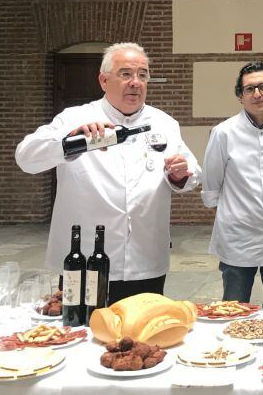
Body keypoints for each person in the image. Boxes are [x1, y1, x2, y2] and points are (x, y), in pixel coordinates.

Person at [16, 42, 201, 304]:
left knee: (141, 337)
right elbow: (26, 157)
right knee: (80, 335)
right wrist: (70, 142)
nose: (135, 82)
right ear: (103, 80)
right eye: (125, 74)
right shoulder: (75, 118)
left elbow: (192, 174)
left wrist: (180, 174)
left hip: (145, 258)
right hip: (85, 259)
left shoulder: (163, 123)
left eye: (142, 74)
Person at [201, 61, 263, 310]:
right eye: (249, 89)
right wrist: (237, 214)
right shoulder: (223, 133)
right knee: (233, 310)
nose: (257, 94)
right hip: (238, 238)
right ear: (240, 96)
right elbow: (211, 187)